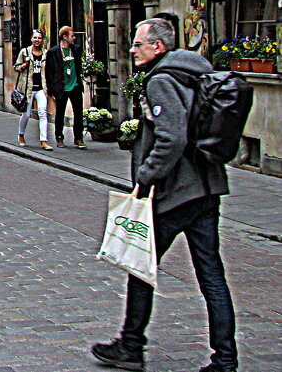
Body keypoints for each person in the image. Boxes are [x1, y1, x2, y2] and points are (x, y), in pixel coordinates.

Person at [91, 18, 237, 372]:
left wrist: (145, 176)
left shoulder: (162, 80)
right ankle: (226, 359)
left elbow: (172, 138)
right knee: (212, 275)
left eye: (138, 43)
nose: (131, 49)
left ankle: (131, 345)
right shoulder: (195, 71)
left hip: (176, 193)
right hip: (206, 187)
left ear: (158, 47)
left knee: (139, 264)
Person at [46, 26, 86, 148]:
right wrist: (51, 90)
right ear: (65, 36)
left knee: (78, 113)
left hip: (75, 86)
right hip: (61, 87)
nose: (74, 38)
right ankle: (59, 137)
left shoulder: (76, 49)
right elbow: (49, 72)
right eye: (72, 36)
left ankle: (78, 138)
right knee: (60, 113)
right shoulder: (53, 52)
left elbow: (80, 65)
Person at [14, 29, 52, 150]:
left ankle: (43, 141)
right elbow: (16, 67)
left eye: (39, 38)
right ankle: (21, 135)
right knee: (26, 114)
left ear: (42, 40)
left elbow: (49, 71)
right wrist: (24, 64)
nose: (37, 40)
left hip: (41, 88)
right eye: (35, 38)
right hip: (27, 88)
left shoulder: (46, 53)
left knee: (42, 113)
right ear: (31, 39)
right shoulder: (24, 52)